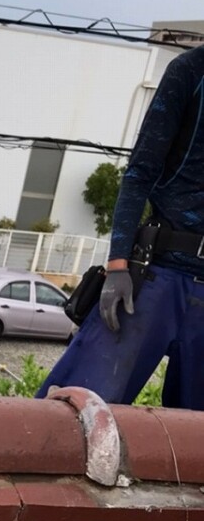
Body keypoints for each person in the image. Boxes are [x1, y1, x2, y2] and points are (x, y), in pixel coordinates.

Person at [37, 39, 204, 409]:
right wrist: (117, 267)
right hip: (158, 273)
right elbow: (140, 172)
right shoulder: (191, 71)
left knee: (196, 434)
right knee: (78, 408)